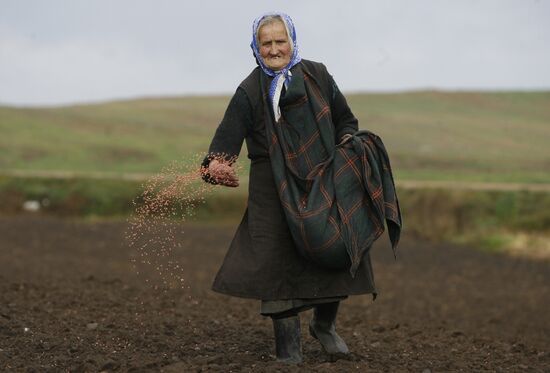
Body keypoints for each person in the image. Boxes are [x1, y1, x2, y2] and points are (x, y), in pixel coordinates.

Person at [201, 12, 401, 364]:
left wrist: (346, 150)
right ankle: (288, 349)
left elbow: (345, 120)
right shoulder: (249, 91)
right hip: (271, 189)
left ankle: (324, 326)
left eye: (281, 41)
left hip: (323, 178)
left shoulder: (317, 74)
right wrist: (215, 167)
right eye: (267, 43)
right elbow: (222, 148)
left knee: (335, 248)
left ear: (292, 42)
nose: (275, 49)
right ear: (256, 47)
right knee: (274, 260)